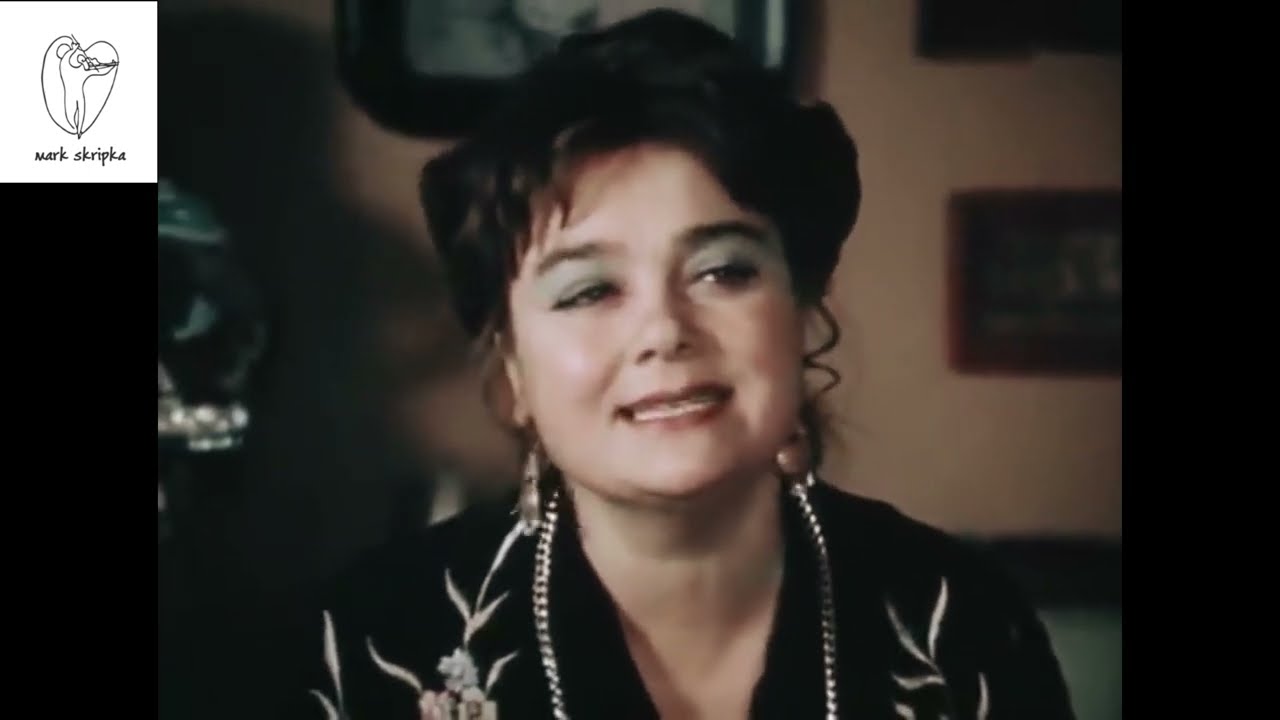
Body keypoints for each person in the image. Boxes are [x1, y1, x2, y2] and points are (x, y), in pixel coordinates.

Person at [281, 10, 1076, 719]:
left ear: (802, 314)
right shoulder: (370, 644)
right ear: (513, 371)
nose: (664, 331)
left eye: (722, 271)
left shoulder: (959, 624)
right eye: (590, 290)